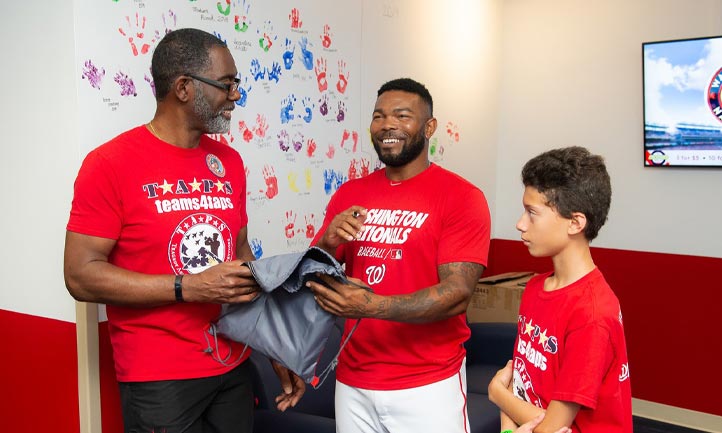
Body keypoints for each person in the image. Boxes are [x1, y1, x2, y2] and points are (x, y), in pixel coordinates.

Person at [64, 28, 304, 433]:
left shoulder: (228, 161)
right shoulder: (110, 163)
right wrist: (187, 287)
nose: (236, 96)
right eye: (227, 85)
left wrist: (274, 347)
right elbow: (80, 275)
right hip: (160, 378)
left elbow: (242, 253)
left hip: (233, 365)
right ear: (183, 88)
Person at [306, 77, 491, 433]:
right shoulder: (350, 193)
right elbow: (314, 274)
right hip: (353, 380)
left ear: (429, 126)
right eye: (379, 116)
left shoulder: (461, 197)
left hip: (427, 383)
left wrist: (371, 306)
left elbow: (457, 295)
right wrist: (328, 242)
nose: (387, 124)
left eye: (402, 115)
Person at [487, 146, 632, 433]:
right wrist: (506, 424)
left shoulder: (592, 313)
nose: (519, 223)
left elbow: (551, 427)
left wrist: (495, 392)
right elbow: (518, 380)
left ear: (575, 222)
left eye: (532, 213)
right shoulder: (534, 287)